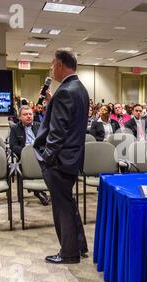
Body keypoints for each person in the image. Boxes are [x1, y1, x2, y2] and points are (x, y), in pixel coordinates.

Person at [33, 48, 88, 265]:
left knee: (62, 207)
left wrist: (47, 157)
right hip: (72, 158)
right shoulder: (79, 88)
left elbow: (58, 131)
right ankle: (79, 246)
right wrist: (51, 99)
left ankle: (68, 253)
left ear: (60, 65)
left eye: (52, 64)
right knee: (68, 203)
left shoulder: (66, 91)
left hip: (60, 160)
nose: (51, 68)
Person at [9, 105, 49, 206]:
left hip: (40, 154)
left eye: (30, 114)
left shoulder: (39, 126)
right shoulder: (15, 129)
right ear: (19, 117)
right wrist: (27, 152)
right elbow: (13, 147)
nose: (28, 116)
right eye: (25, 114)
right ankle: (38, 191)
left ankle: (57, 192)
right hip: (25, 157)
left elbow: (46, 142)